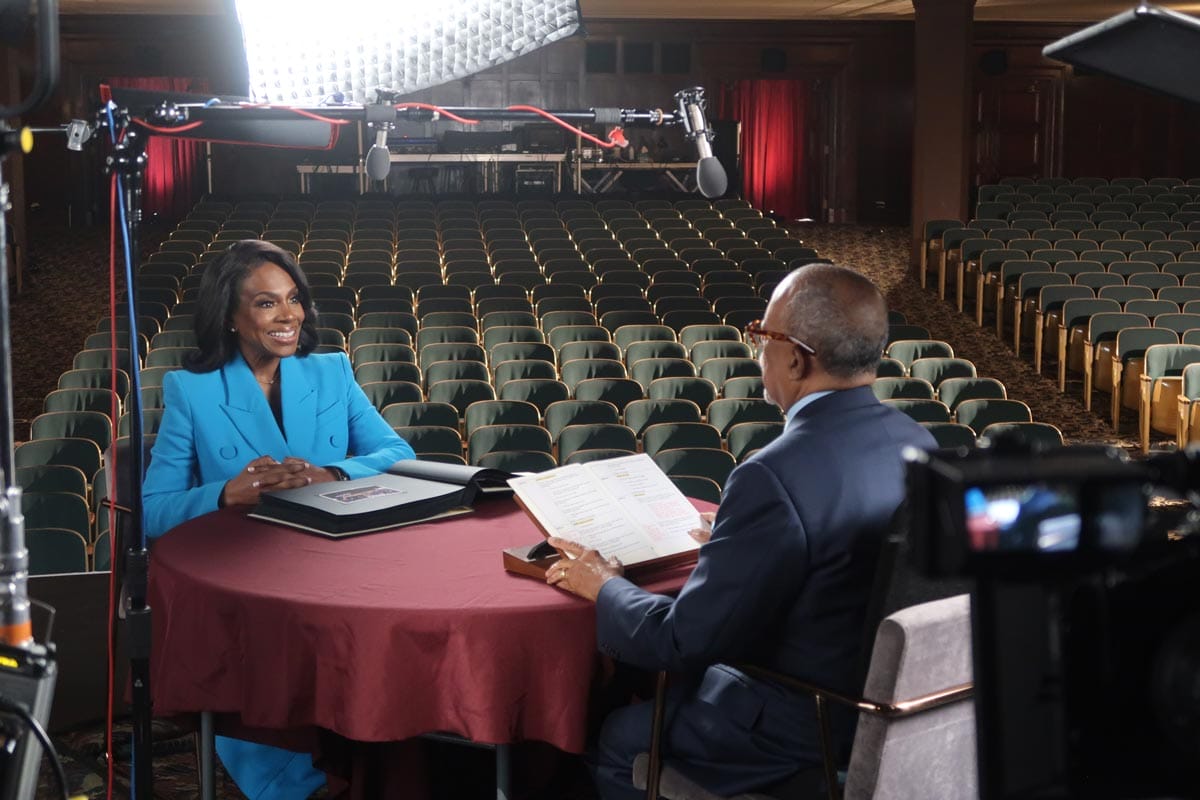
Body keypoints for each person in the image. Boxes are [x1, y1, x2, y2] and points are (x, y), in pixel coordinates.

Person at [546, 263, 937, 799]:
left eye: (763, 335)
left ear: (796, 358)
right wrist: (739, 540)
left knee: (619, 738)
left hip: (799, 726)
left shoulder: (772, 475)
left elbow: (681, 640)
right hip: (891, 707)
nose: (757, 347)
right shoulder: (919, 443)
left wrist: (604, 584)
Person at [143, 239, 415, 800]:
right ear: (231, 317)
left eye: (294, 299)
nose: (289, 315)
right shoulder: (192, 392)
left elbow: (397, 455)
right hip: (250, 573)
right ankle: (294, 782)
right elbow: (153, 509)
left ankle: (378, 754)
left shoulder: (332, 371)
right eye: (267, 304)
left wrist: (332, 474)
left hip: (338, 558)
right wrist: (224, 493)